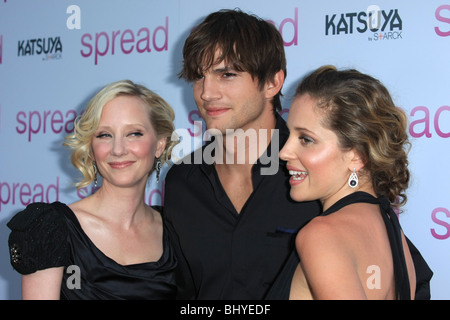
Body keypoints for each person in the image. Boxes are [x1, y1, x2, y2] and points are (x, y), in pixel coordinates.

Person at [164, 8, 321, 299]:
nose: (206, 93)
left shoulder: (318, 169)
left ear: (272, 83)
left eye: (227, 74)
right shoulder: (181, 182)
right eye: (199, 76)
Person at [266, 65, 433, 299]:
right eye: (289, 136)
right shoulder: (391, 231)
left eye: (305, 139)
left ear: (357, 154)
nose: (284, 152)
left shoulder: (322, 235)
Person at [7, 80, 179, 299]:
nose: (118, 149)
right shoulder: (51, 229)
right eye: (104, 135)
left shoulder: (175, 229)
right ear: (91, 147)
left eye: (134, 133)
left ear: (160, 145)